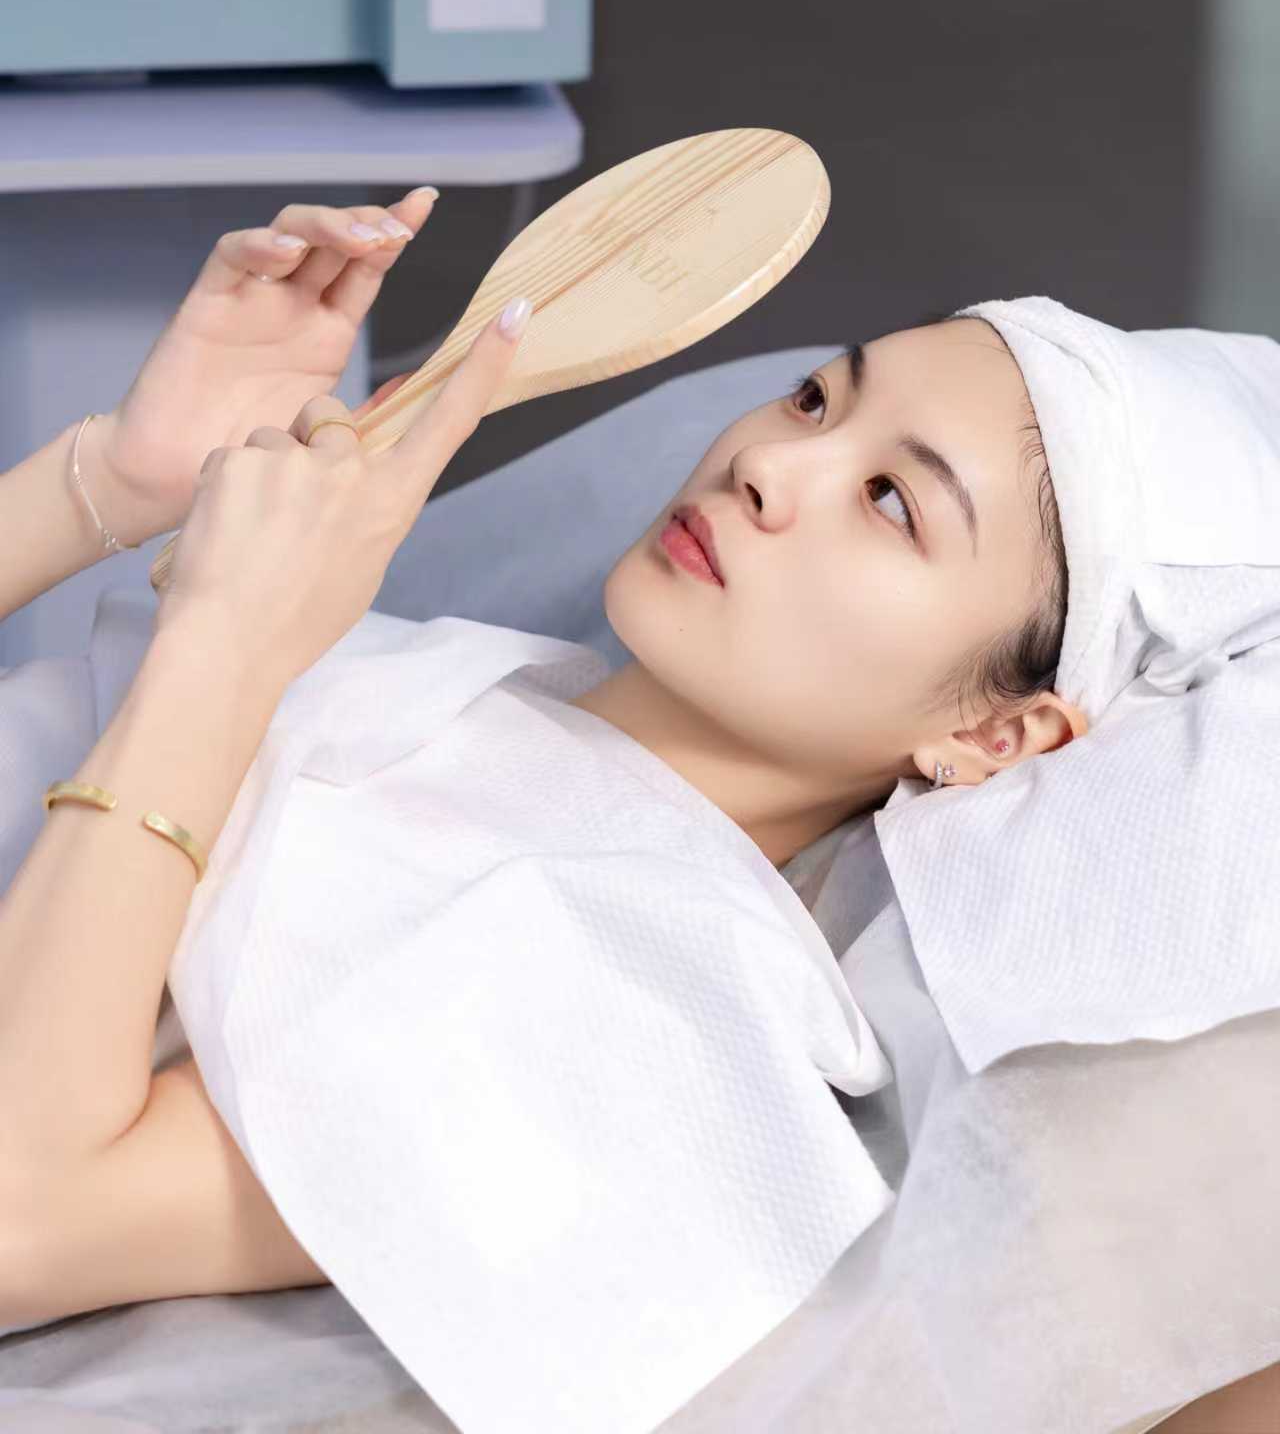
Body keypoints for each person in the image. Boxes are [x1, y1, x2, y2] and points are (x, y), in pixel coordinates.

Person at [0, 194, 1272, 1434]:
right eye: (815, 398)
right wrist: (104, 483)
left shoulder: (640, 1001)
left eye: (892, 501)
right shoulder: (458, 691)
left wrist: (224, 642)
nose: (768, 462)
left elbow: (24, 1218)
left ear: (995, 736)